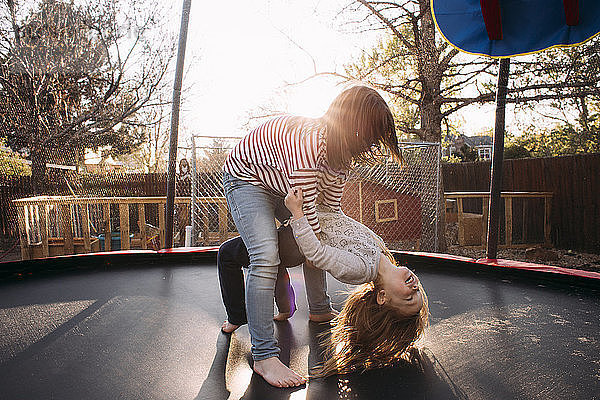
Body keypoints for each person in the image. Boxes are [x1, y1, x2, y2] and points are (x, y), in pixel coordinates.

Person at [221, 85, 400, 387]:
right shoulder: (310, 144)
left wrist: (352, 239)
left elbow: (329, 213)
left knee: (317, 236)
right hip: (247, 178)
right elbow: (307, 214)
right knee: (266, 255)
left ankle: (318, 309)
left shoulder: (342, 160)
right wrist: (321, 245)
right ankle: (264, 356)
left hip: (282, 182)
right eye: (371, 136)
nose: (372, 145)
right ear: (353, 126)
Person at [216, 188, 428, 378]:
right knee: (276, 256)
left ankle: (236, 316)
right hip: (311, 218)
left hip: (299, 235)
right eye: (418, 292)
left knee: (228, 253)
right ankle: (310, 308)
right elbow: (340, 226)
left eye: (408, 297)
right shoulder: (380, 250)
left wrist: (298, 213)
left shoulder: (362, 269)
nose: (414, 288)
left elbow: (317, 255)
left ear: (382, 297)